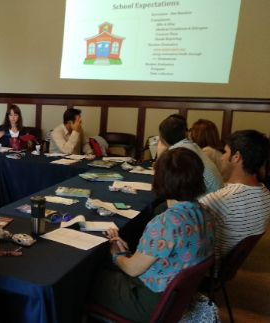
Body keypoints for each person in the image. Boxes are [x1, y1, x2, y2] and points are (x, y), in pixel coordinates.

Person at [90, 148, 215, 321]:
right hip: (176, 298)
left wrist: (116, 255)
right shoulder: (205, 213)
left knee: (88, 276)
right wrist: (130, 255)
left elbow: (132, 269)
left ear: (161, 180)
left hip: (150, 301)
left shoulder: (166, 223)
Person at [200, 130, 270, 263]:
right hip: (228, 264)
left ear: (236, 157)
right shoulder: (266, 194)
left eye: (225, 152)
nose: (221, 157)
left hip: (206, 267)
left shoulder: (219, 200)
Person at [157, 114, 223, 194]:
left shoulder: (180, 152)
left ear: (162, 137)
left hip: (206, 201)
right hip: (214, 196)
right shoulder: (191, 146)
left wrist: (161, 151)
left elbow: (166, 181)